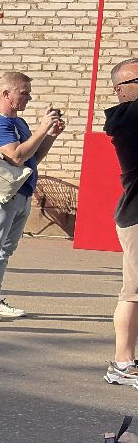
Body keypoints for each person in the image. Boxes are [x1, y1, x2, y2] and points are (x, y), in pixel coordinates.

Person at [0, 72, 63, 322]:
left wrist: (50, 135)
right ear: (6, 94)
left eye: (29, 93)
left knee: (4, 250)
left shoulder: (20, 124)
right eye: (24, 93)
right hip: (1, 198)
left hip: (22, 195)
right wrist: (42, 128)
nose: (29, 97)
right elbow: (16, 156)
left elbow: (33, 157)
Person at [100, 58, 138, 387]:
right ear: (121, 89)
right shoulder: (128, 117)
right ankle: (122, 364)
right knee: (134, 293)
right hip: (137, 217)